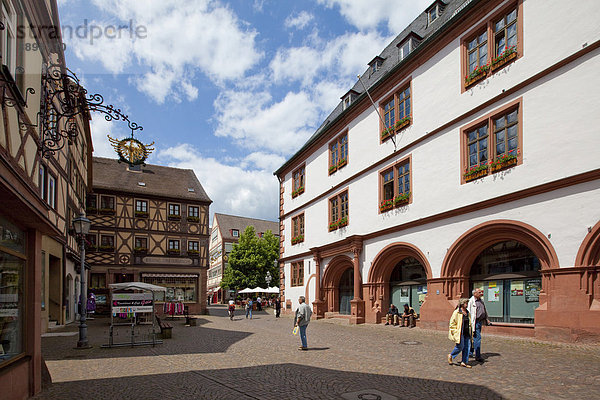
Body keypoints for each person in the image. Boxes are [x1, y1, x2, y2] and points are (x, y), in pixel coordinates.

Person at [447, 298, 473, 368]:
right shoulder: (457, 312)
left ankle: (464, 362)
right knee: (460, 346)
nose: (467, 305)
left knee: (467, 347)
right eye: (466, 303)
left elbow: (470, 323)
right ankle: (451, 355)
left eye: (467, 303)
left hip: (467, 333)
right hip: (459, 333)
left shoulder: (467, 312)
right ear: (462, 304)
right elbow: (452, 323)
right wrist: (455, 331)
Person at [467, 288, 491, 362]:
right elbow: (468, 313)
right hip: (475, 322)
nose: (481, 293)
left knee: (473, 337)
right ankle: (477, 356)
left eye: (481, 292)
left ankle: (470, 352)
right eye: (479, 292)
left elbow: (484, 310)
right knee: (477, 338)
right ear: (474, 294)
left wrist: (487, 319)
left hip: (480, 321)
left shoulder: (481, 300)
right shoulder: (471, 301)